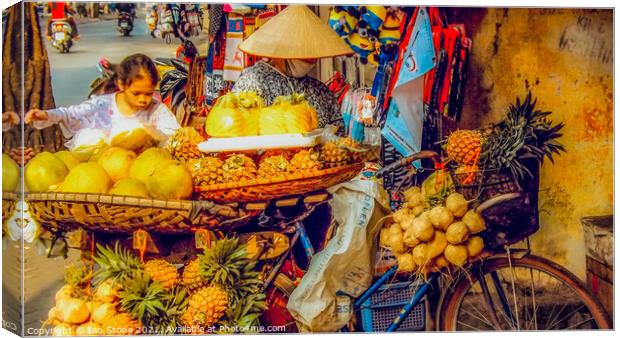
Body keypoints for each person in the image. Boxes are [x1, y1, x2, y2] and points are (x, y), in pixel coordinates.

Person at [25, 54, 180, 150]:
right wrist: (45, 115)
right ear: (121, 85)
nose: (143, 99)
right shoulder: (101, 105)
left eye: (148, 93)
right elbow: (70, 114)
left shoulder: (157, 110)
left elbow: (176, 136)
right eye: (136, 93)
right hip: (99, 172)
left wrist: (153, 134)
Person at [233, 5, 354, 129]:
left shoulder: (320, 89)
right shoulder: (252, 82)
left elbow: (338, 131)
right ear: (282, 50)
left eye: (313, 54)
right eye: (303, 53)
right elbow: (238, 128)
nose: (311, 60)